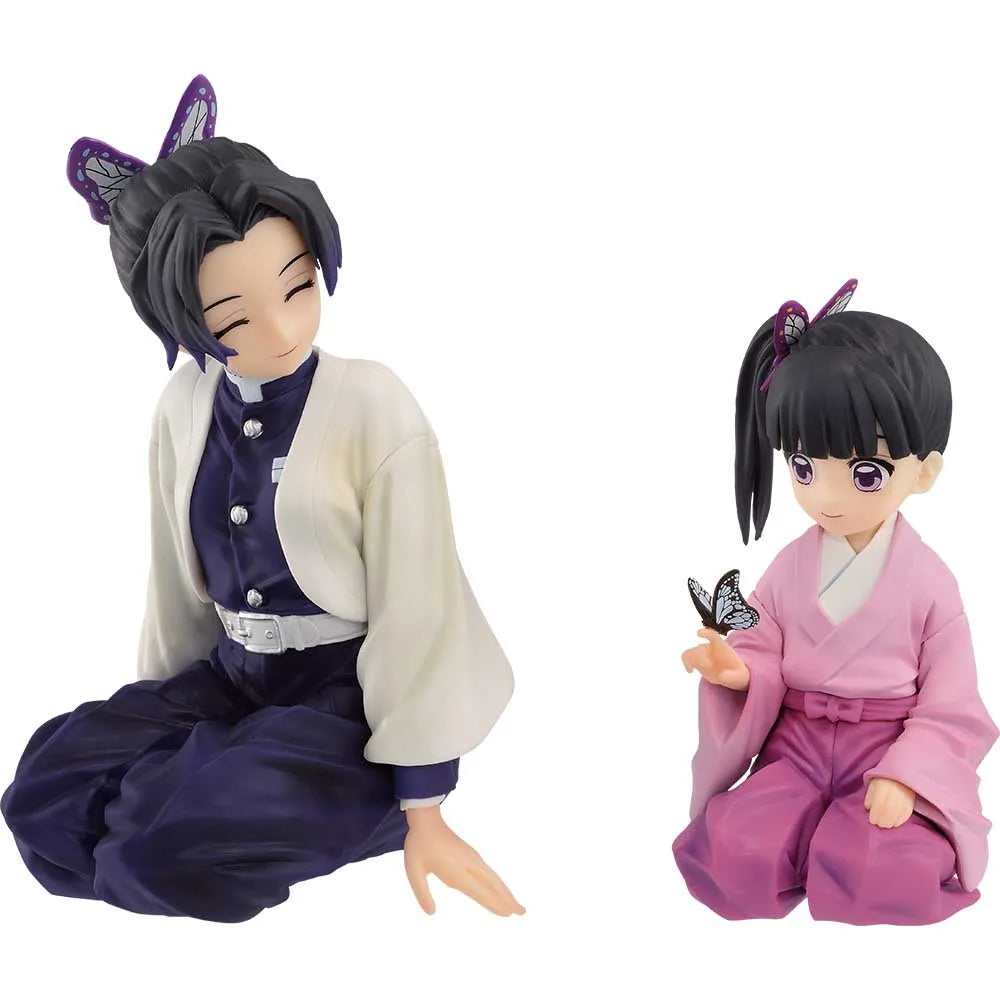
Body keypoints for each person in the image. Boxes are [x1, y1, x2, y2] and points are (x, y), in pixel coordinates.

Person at [2, 74, 522, 923]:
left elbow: (419, 604)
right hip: (233, 675)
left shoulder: (372, 404)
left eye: (298, 286)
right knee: (43, 797)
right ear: (180, 319)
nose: (280, 331)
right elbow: (175, 582)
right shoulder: (183, 406)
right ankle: (208, 787)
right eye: (233, 319)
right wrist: (160, 714)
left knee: (156, 846)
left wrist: (425, 800)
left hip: (347, 699)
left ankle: (364, 805)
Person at [672, 280, 997, 924]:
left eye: (865, 472)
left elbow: (952, 702)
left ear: (924, 471)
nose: (825, 495)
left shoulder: (930, 583)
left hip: (885, 744)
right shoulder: (791, 567)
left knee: (881, 866)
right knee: (737, 849)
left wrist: (907, 774)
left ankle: (862, 834)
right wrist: (738, 671)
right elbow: (762, 642)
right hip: (794, 745)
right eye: (803, 467)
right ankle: (794, 839)